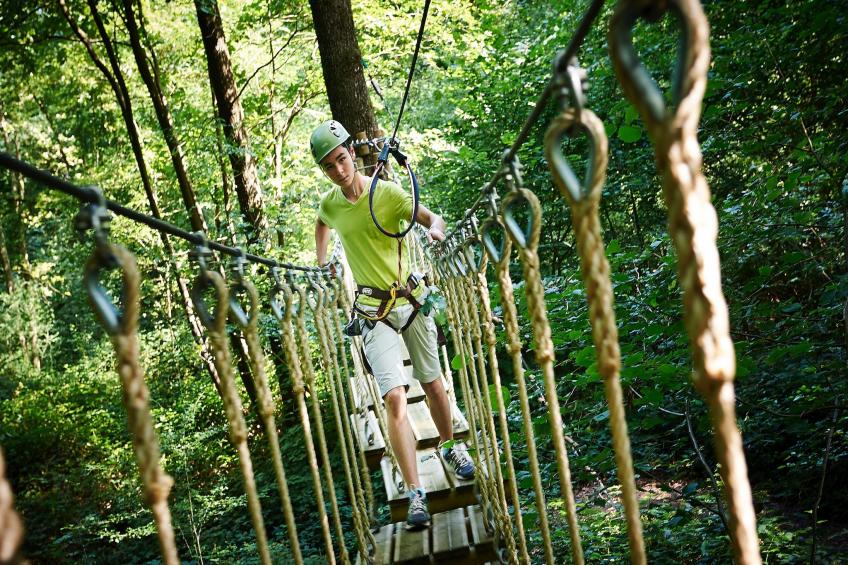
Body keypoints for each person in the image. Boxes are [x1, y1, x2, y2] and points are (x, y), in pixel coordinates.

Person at [311, 120, 475, 530]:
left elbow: (431, 217)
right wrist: (321, 261)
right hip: (372, 311)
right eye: (329, 166)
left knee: (433, 383)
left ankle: (449, 445)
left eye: (342, 159)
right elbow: (322, 223)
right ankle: (416, 491)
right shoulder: (332, 204)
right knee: (395, 398)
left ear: (352, 153)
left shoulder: (387, 194)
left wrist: (436, 231)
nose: (339, 170)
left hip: (412, 301)